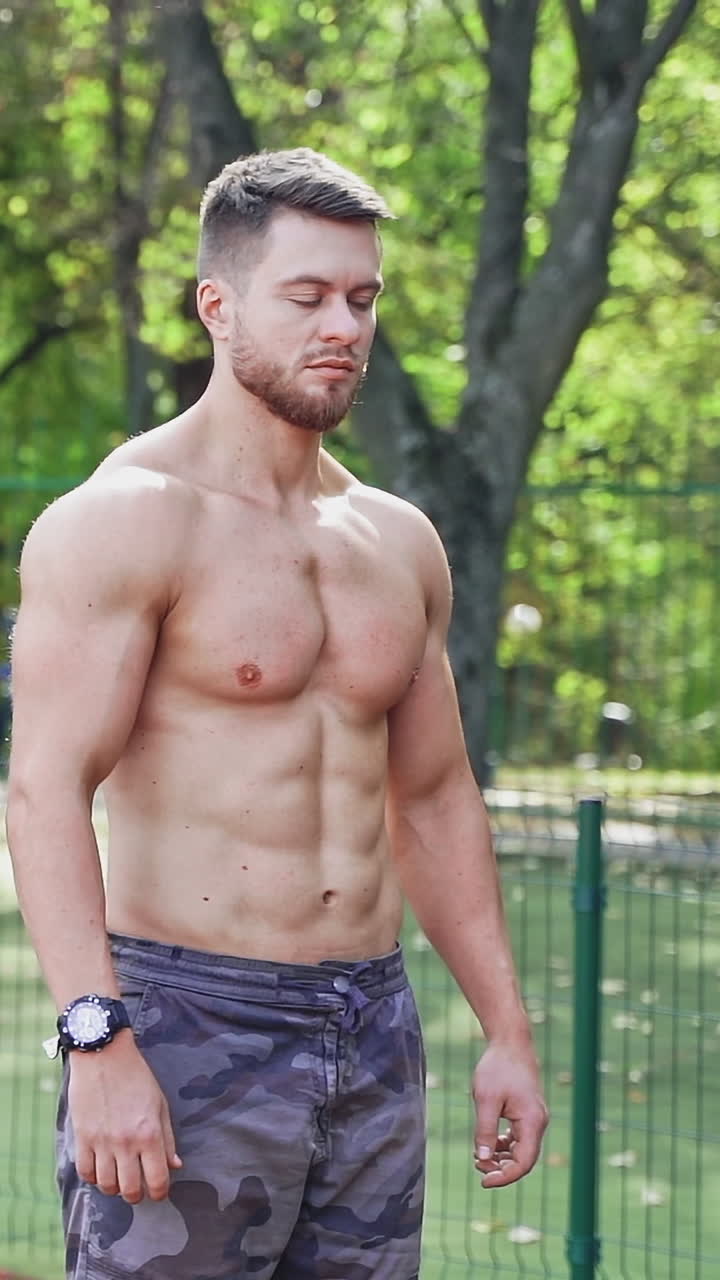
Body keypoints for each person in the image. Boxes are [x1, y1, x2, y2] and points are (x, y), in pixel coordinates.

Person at [6, 148, 548, 1280]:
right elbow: (44, 787)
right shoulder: (124, 520)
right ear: (219, 303)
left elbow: (436, 794)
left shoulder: (398, 540)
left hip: (375, 1022)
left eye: (362, 298)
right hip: (190, 1020)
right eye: (306, 297)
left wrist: (505, 1026)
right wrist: (97, 1037)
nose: (342, 325)